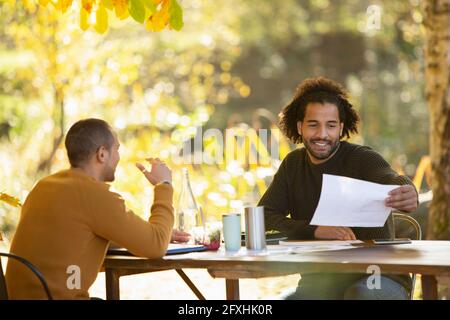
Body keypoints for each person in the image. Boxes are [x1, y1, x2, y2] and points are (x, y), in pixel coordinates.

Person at [258, 77, 418, 300]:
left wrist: (409, 192)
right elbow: (264, 216)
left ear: (341, 128)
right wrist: (314, 230)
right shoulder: (293, 164)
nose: (322, 134)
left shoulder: (362, 158)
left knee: (358, 295)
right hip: (320, 282)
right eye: (313, 124)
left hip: (378, 276)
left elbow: (394, 180)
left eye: (331, 125)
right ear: (300, 126)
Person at [5, 118, 187, 299]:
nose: (118, 156)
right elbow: (155, 246)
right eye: (117, 149)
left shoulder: (43, 186)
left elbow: (73, 236)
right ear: (102, 154)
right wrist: (164, 184)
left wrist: (144, 233)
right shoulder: (96, 195)